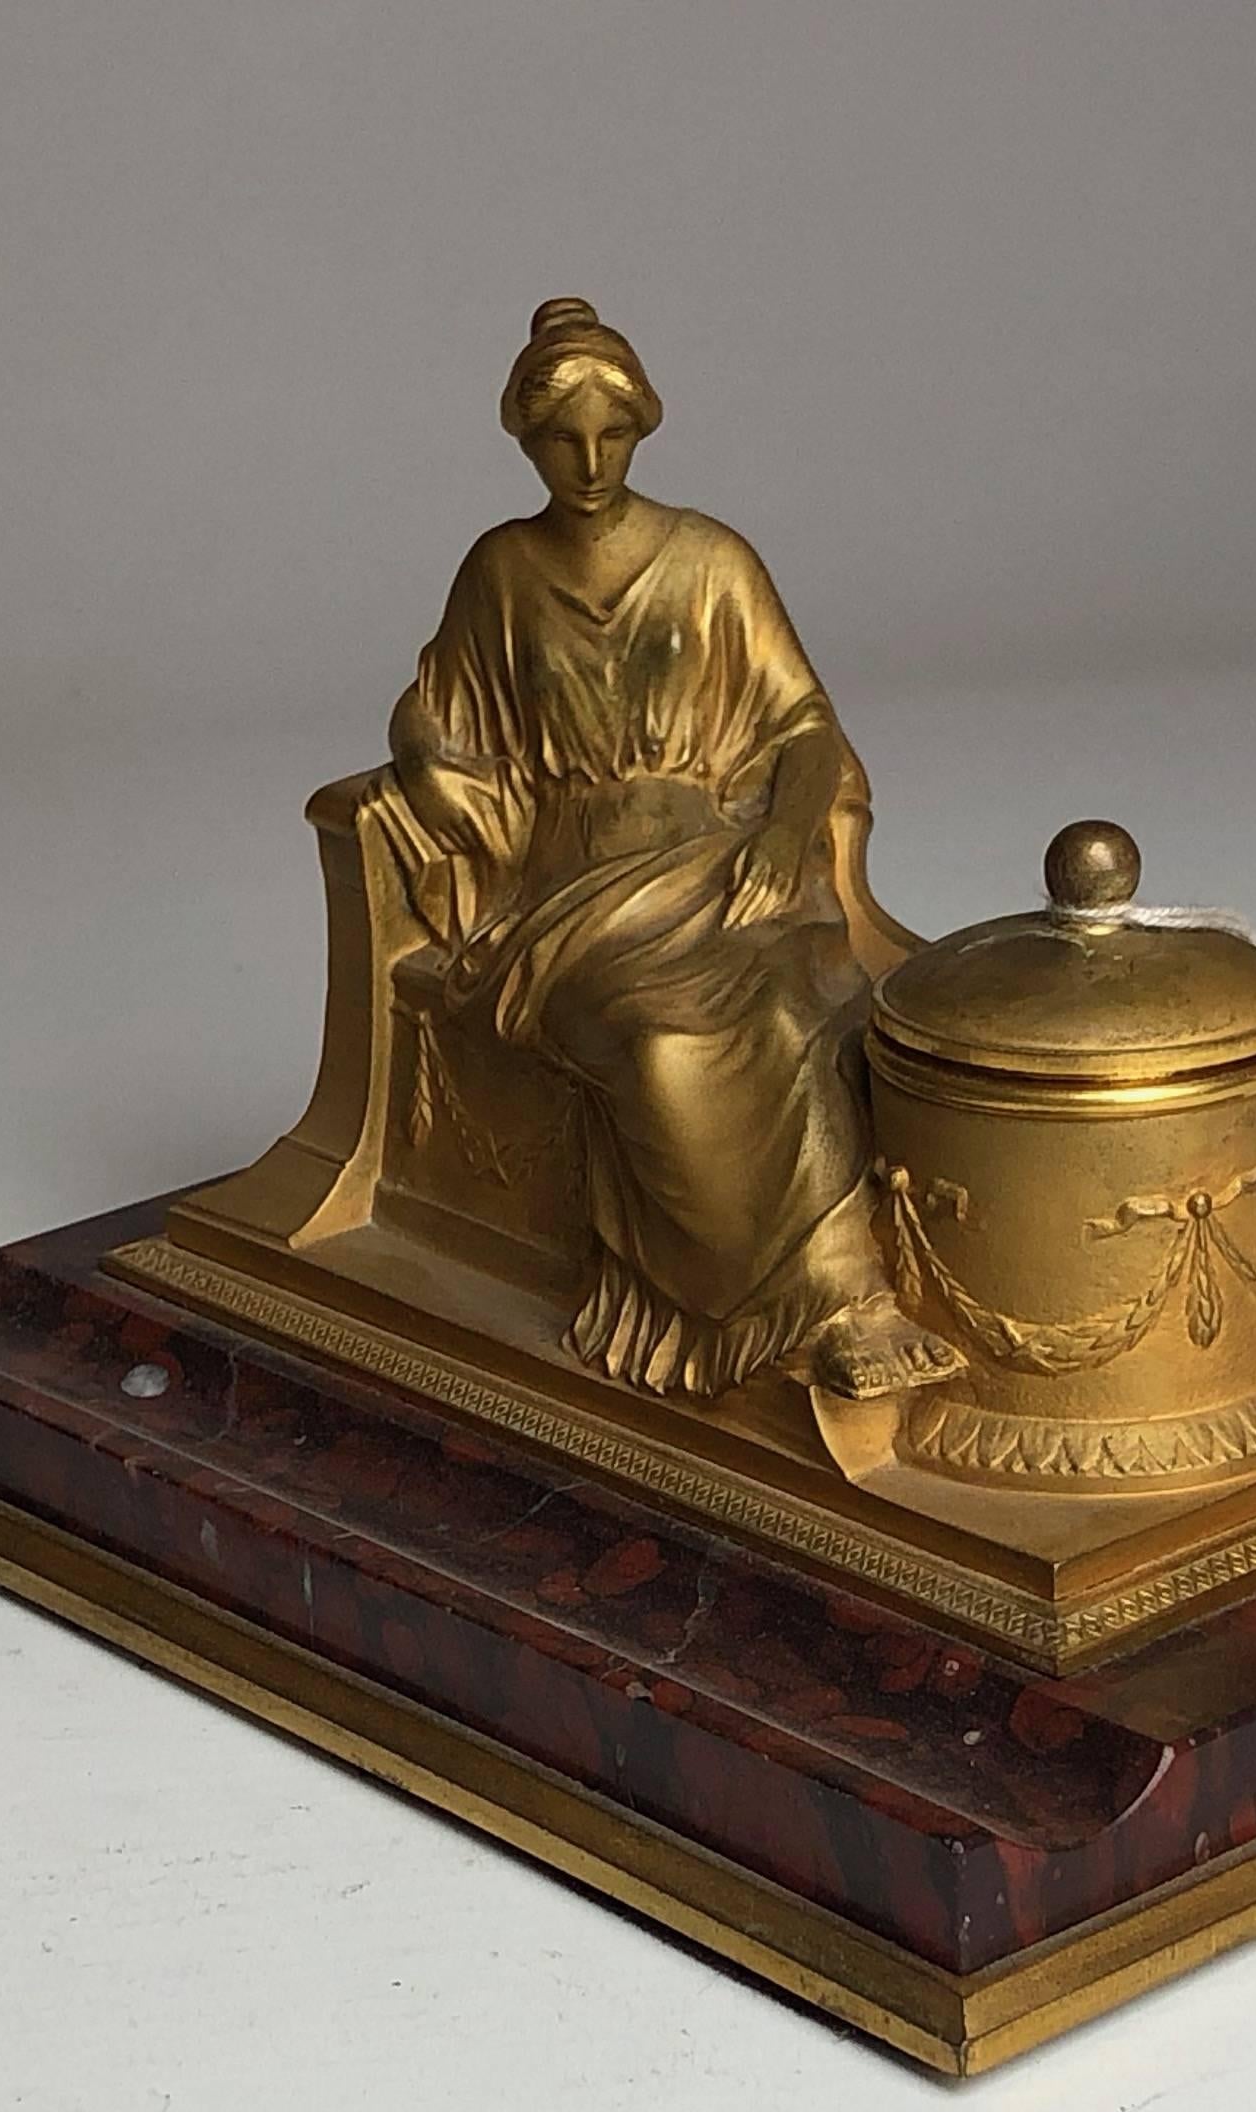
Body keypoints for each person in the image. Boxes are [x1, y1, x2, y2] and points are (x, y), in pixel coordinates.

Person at [373, 298, 964, 1402]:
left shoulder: (710, 559)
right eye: (560, 439)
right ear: (522, 440)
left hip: (727, 862)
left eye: (611, 434)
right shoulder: (500, 572)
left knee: (801, 1015)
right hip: (572, 895)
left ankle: (851, 1295)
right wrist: (431, 772)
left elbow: (806, 726)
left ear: (644, 426)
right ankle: (776, 1309)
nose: (588, 462)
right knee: (660, 1047)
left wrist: (788, 831)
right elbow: (432, 706)